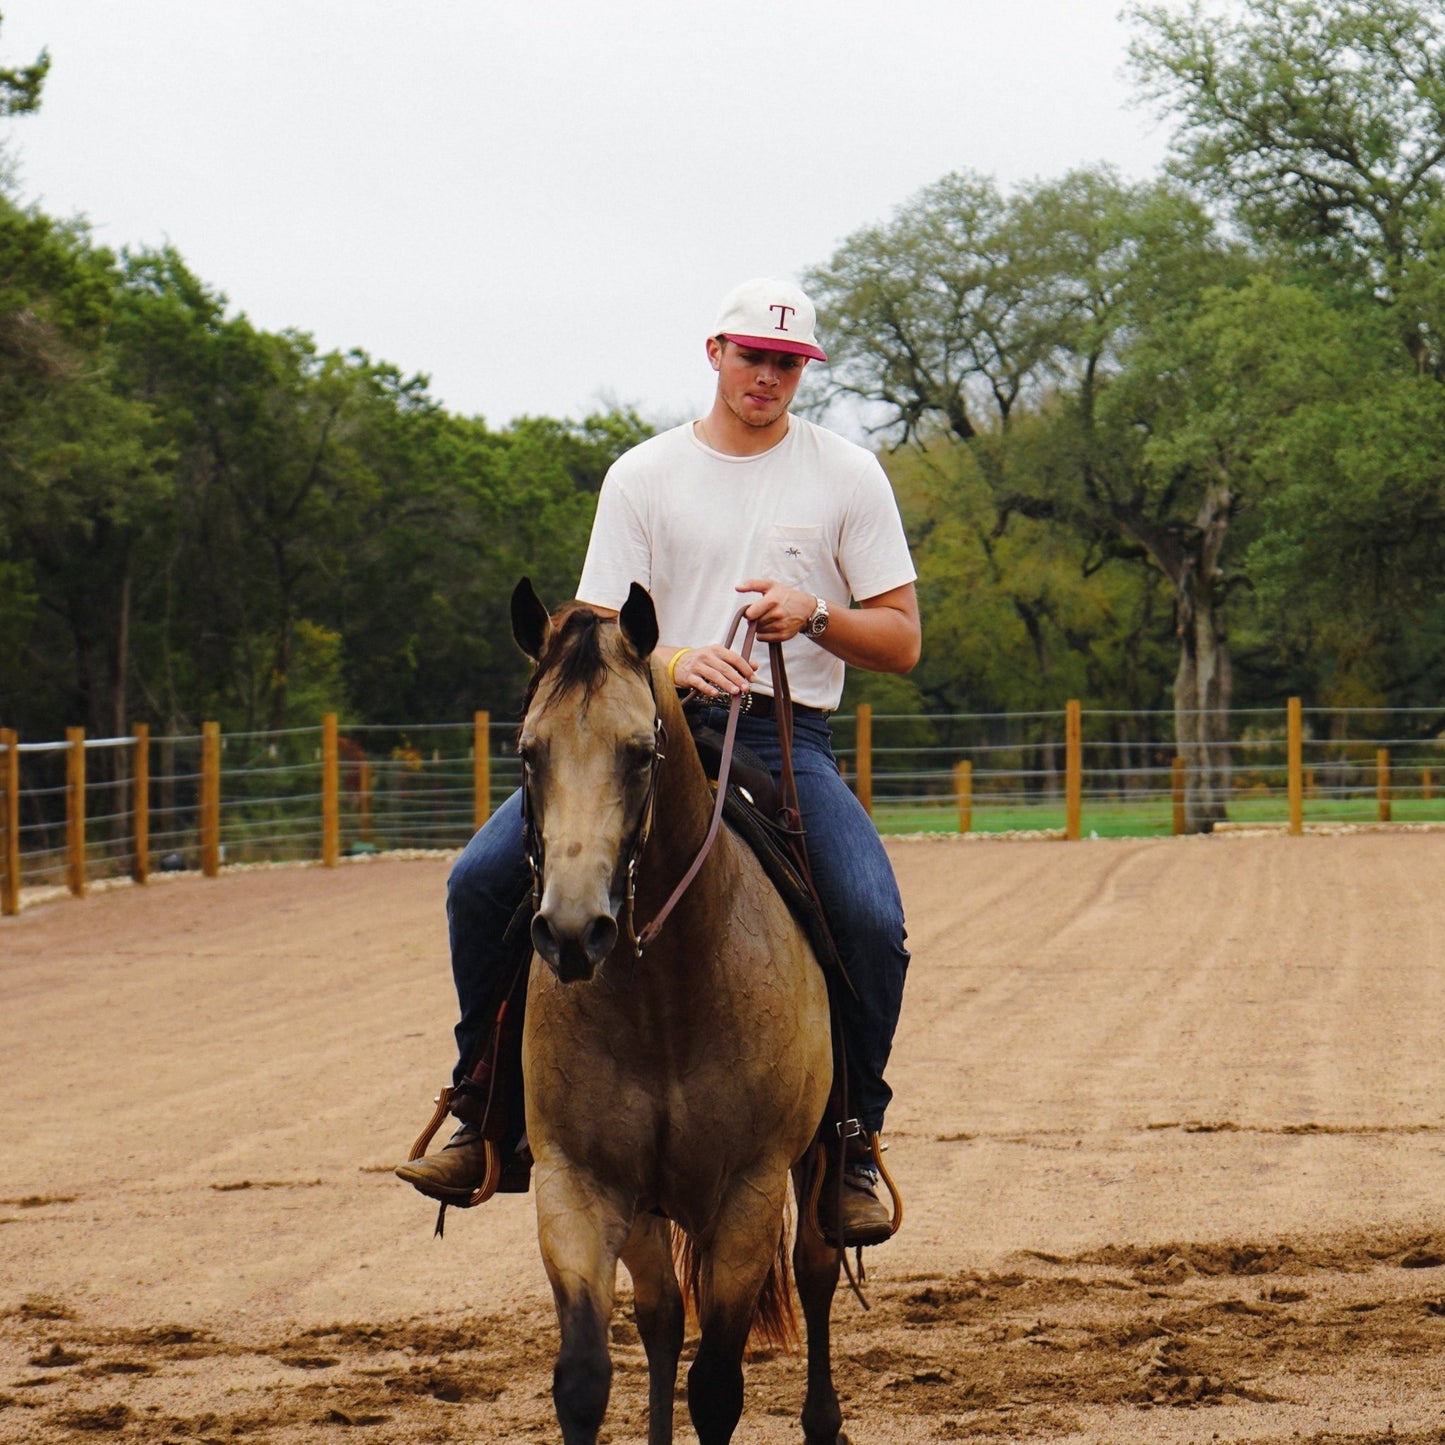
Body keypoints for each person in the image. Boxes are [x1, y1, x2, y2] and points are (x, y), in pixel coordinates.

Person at [397, 277, 920, 1246]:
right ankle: (481, 1110)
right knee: (477, 882)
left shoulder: (846, 474)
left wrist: (811, 614)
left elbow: (899, 638)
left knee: (868, 914)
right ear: (714, 351)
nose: (765, 376)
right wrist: (673, 657)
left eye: (785, 363)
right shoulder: (642, 474)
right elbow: (592, 627)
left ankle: (849, 1136)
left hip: (778, 733)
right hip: (642, 728)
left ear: (802, 370)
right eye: (750, 355)